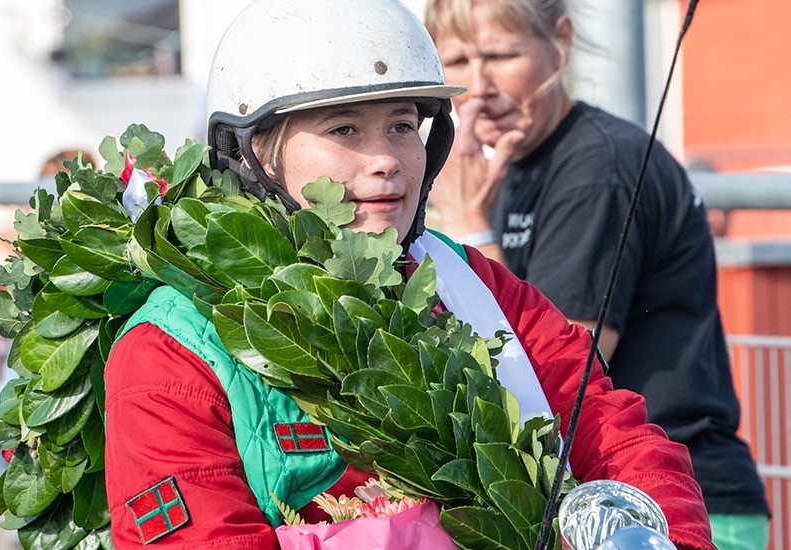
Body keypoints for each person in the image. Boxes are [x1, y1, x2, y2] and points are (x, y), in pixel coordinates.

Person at [102, 0, 714, 548]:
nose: (386, 161)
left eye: (401, 125)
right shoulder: (169, 353)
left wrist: (660, 537)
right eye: (344, 129)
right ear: (255, 155)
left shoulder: (476, 284)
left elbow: (612, 434)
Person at [422, 0, 771, 548]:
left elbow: (561, 368)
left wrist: (469, 222)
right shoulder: (518, 162)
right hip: (612, 499)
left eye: (501, 55)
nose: (480, 87)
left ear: (560, 40)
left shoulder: (596, 169)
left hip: (675, 504)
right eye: (460, 62)